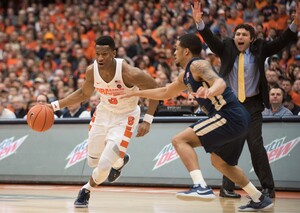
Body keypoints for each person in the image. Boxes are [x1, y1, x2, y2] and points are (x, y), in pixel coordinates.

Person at [123, 33, 273, 212]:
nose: (173, 52)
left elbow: (220, 83)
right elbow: (165, 92)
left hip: (228, 115)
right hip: (237, 118)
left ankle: (200, 187)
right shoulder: (184, 75)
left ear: (186, 51)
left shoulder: (198, 65)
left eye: (176, 49)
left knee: (180, 140)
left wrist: (210, 92)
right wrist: (135, 93)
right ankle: (259, 198)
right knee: (219, 162)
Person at [191, 1, 300, 199]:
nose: (239, 37)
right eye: (237, 34)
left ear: (251, 39)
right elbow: (211, 40)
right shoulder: (226, 47)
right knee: (230, 145)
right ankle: (227, 188)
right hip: (231, 105)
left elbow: (281, 41)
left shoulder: (260, 49)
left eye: (244, 35)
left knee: (255, 145)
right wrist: (200, 24)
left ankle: (268, 187)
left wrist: (295, 24)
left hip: (252, 105)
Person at [48, 36, 159, 208]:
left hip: (125, 117)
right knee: (92, 160)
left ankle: (86, 190)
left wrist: (148, 119)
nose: (100, 58)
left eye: (104, 54)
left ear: (113, 53)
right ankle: (120, 160)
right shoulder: (92, 71)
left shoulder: (129, 73)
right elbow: (83, 94)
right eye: (97, 54)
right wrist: (54, 106)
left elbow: (156, 90)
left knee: (103, 165)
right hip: (103, 114)